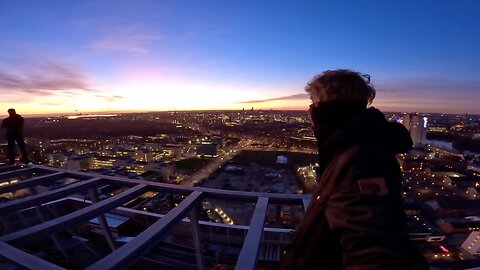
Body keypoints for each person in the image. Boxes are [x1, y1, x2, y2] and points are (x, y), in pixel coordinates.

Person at [280, 70, 427, 270]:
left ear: (326, 106)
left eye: (313, 103)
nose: (310, 110)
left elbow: (373, 251)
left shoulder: (361, 159)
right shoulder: (357, 146)